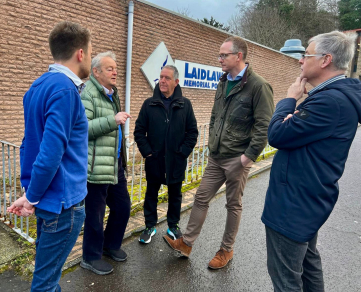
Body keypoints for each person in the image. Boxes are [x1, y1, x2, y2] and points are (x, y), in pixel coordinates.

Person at [261, 31, 361, 291]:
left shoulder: (330, 101)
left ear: (326, 59)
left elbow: (277, 134)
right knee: (308, 264)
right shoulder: (333, 97)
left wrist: (289, 99)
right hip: (307, 200)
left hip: (293, 205)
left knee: (286, 280)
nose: (300, 60)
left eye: (306, 54)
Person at [164, 36, 274, 269]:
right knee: (201, 197)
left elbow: (264, 126)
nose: (219, 59)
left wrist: (246, 158)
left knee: (233, 205)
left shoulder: (258, 86)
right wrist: (212, 139)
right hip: (216, 156)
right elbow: (215, 116)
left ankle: (226, 250)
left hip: (238, 157)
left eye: (224, 55)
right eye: (220, 55)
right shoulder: (223, 82)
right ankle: (187, 243)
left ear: (239, 56)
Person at [7, 21, 91, 291]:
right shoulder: (65, 90)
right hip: (63, 205)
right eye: (90, 52)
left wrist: (30, 193)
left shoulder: (38, 86)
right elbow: (50, 153)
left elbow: (28, 143)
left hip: (48, 199)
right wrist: (31, 197)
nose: (89, 57)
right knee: (44, 285)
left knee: (47, 278)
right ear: (80, 53)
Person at [80, 51, 131, 275]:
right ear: (96, 72)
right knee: (95, 214)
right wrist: (113, 120)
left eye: (115, 68)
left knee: (122, 207)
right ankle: (90, 257)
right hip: (94, 168)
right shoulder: (88, 94)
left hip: (113, 163)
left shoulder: (111, 93)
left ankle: (110, 245)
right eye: (109, 68)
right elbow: (83, 129)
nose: (115, 72)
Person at [134, 65, 198, 244]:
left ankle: (173, 225)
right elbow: (139, 131)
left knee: (175, 194)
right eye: (161, 77)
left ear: (176, 82)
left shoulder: (185, 105)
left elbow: (192, 132)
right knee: (151, 194)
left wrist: (183, 152)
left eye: (167, 78)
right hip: (154, 160)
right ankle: (149, 225)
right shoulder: (149, 104)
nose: (162, 81)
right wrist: (147, 152)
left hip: (176, 160)